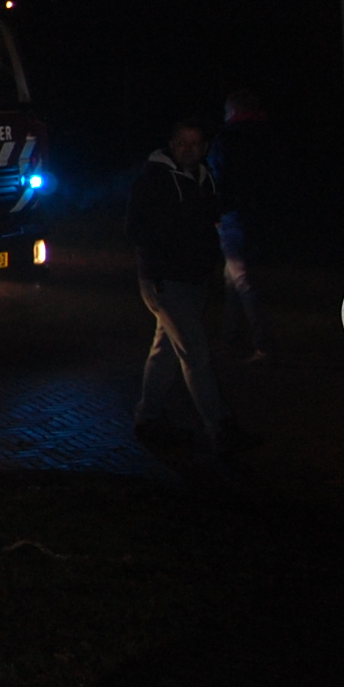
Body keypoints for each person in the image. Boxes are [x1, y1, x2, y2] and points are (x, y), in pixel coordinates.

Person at [126, 119, 253, 453]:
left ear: (205, 148)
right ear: (172, 144)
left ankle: (148, 417)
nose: (188, 149)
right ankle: (220, 427)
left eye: (195, 144)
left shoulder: (204, 177)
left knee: (166, 350)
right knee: (196, 352)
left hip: (194, 278)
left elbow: (210, 219)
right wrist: (158, 265)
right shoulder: (154, 180)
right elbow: (136, 228)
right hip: (165, 281)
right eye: (182, 143)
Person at [208, 89, 276, 362]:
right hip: (260, 215)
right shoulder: (267, 136)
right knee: (233, 277)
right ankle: (230, 337)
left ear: (234, 111)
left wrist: (216, 211)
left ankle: (264, 344)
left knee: (242, 278)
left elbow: (218, 178)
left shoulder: (228, 139)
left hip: (234, 215)